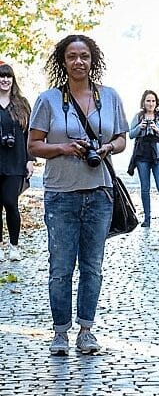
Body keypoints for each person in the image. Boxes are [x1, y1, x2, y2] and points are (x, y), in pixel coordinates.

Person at [28, 34, 129, 356]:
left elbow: (122, 139)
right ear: (63, 61)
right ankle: (60, 333)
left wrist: (107, 147)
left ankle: (87, 331)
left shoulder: (109, 96)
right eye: (72, 56)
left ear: (92, 59)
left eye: (84, 56)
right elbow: (34, 146)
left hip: (100, 192)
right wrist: (64, 148)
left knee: (92, 266)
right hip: (60, 194)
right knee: (60, 266)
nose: (78, 62)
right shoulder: (48, 99)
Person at [0, 63, 34, 261]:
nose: (5, 80)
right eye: (2, 77)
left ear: (13, 80)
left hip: (16, 161)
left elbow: (30, 133)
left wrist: (30, 159)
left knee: (11, 202)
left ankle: (14, 245)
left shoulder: (21, 104)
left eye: (8, 77)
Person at [128, 89, 159, 229]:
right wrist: (140, 128)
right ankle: (147, 219)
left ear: (156, 102)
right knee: (145, 188)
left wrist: (157, 130)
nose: (151, 103)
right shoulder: (138, 116)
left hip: (158, 154)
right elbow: (130, 134)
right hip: (142, 154)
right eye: (148, 100)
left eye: (153, 101)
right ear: (143, 102)